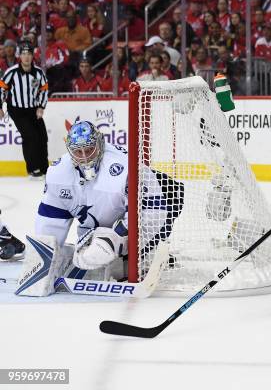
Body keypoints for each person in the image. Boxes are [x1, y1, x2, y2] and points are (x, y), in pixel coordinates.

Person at [15, 121, 184, 296]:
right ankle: (111, 252)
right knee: (94, 259)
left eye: (89, 150)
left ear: (100, 144)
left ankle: (145, 251)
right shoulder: (58, 173)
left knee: (173, 192)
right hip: (96, 224)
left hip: (154, 206)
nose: (85, 157)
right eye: (78, 152)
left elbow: (153, 211)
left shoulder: (125, 166)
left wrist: (115, 241)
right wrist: (44, 255)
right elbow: (51, 218)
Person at [0, 42, 49, 178]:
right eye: (23, 54)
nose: (26, 57)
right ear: (19, 56)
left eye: (29, 54)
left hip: (33, 109)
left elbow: (44, 89)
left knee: (42, 137)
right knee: (30, 136)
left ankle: (45, 169)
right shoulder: (12, 72)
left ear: (33, 56)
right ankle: (32, 169)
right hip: (17, 110)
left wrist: (41, 106)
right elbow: (2, 88)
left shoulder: (38, 73)